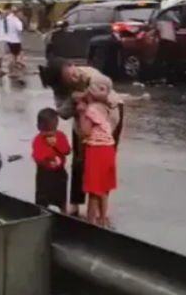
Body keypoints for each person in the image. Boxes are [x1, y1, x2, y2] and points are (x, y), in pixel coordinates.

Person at [54, 61, 124, 216]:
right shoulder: (66, 94)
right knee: (80, 163)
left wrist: (95, 96)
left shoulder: (91, 74)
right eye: (69, 79)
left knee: (102, 168)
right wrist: (74, 102)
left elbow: (107, 86)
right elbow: (63, 113)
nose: (75, 76)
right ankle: (77, 202)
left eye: (73, 72)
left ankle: (100, 206)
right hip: (86, 126)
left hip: (106, 126)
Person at [77, 74, 118, 227]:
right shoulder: (106, 108)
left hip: (96, 151)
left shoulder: (91, 110)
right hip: (108, 150)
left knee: (94, 190)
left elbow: (86, 132)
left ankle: (91, 221)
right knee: (105, 188)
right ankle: (103, 218)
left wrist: (81, 113)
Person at [31, 108, 71, 212]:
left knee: (62, 200)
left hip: (59, 173)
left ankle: (64, 214)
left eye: (52, 131)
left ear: (56, 126)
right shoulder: (38, 140)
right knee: (42, 201)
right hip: (44, 175)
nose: (49, 134)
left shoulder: (61, 136)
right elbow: (37, 158)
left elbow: (67, 150)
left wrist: (56, 145)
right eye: (45, 131)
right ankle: (40, 215)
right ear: (38, 127)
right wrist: (48, 156)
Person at [154, 9, 180, 82]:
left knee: (161, 60)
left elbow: (157, 31)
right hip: (171, 41)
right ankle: (170, 77)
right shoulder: (173, 21)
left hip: (164, 41)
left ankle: (163, 76)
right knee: (170, 60)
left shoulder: (160, 22)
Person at [2, 6, 25, 78]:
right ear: (17, 12)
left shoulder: (7, 18)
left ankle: (10, 71)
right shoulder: (16, 20)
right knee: (13, 57)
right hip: (15, 40)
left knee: (11, 56)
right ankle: (12, 72)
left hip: (9, 40)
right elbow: (20, 29)